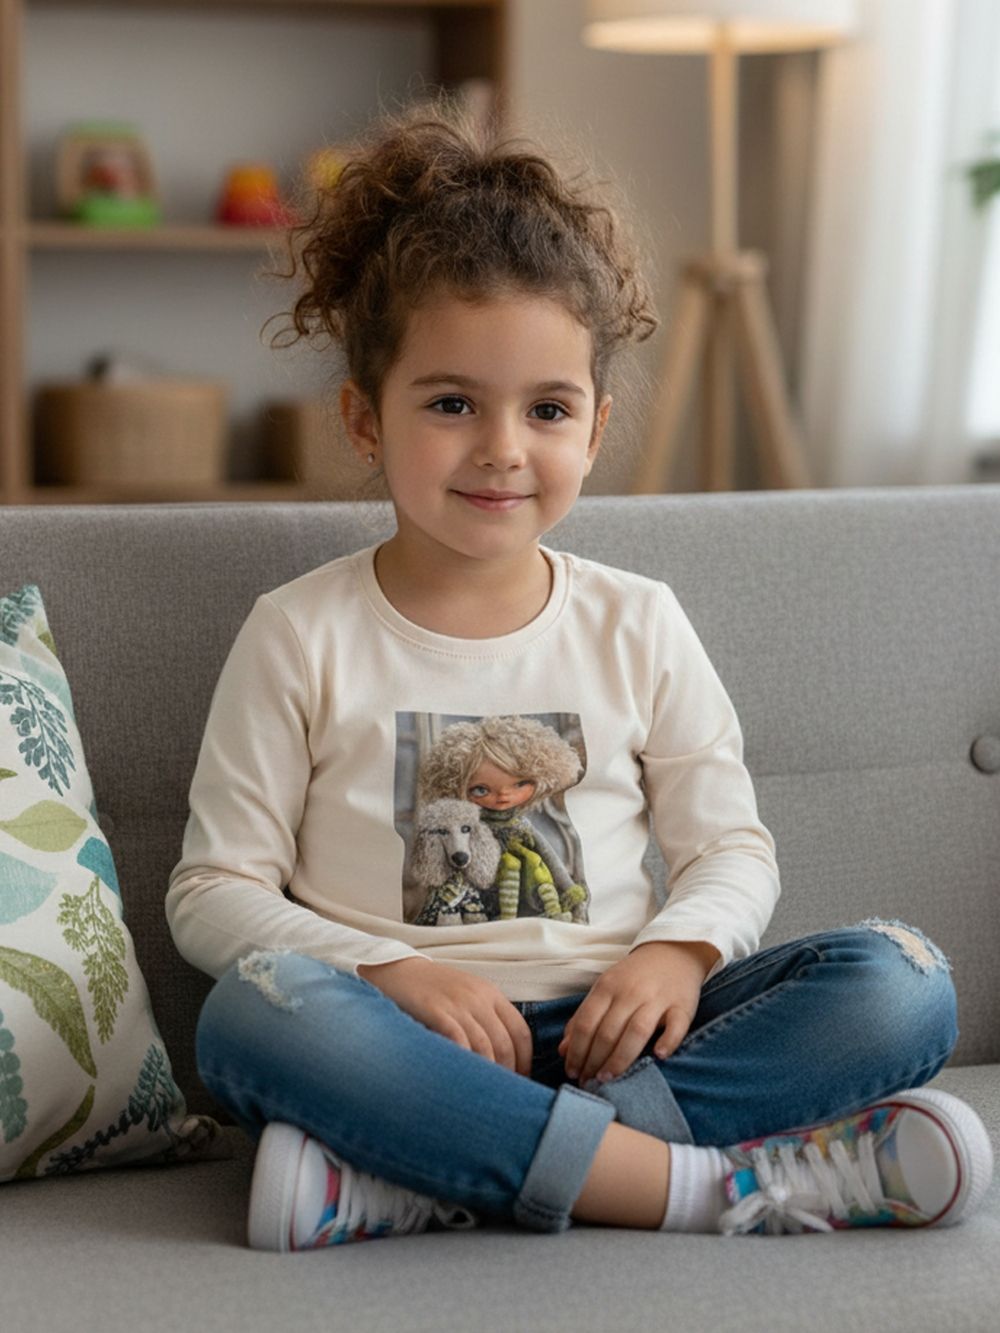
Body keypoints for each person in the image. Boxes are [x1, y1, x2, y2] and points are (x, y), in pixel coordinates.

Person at [166, 97, 993, 1252]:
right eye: (451, 403)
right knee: (252, 1018)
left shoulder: (637, 620)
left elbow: (728, 849)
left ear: (594, 428)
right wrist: (391, 969)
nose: (503, 447)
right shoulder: (299, 631)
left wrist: (677, 950)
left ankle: (434, 1176)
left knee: (903, 981)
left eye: (546, 409)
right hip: (403, 1038)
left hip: (627, 1028)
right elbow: (212, 894)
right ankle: (696, 1184)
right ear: (365, 419)